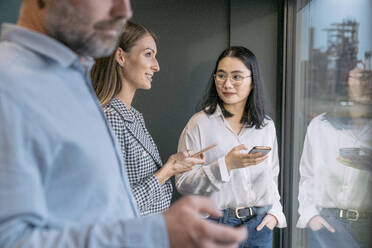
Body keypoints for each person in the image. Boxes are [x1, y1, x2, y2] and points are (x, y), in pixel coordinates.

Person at [0, 0, 247, 247]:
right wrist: (156, 230)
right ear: (121, 56)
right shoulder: (12, 84)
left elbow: (104, 210)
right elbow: (12, 239)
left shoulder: (77, 91)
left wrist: (171, 172)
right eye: (148, 54)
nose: (124, 10)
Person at [176, 46, 287, 248]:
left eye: (236, 77)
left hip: (259, 226)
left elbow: (272, 176)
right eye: (221, 76)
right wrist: (226, 164)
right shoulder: (199, 124)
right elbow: (183, 182)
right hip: (214, 224)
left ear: (253, 81)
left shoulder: (266, 126)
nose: (227, 84)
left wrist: (275, 213)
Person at [91, 21, 202, 216]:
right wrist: (165, 172)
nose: (156, 66)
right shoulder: (108, 119)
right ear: (120, 57)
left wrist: (174, 165)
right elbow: (112, 208)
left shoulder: (132, 116)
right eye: (148, 54)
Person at [297, 63, 372, 248]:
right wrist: (310, 216)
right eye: (362, 77)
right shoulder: (321, 126)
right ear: (345, 81)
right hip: (327, 223)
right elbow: (307, 177)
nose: (368, 84)